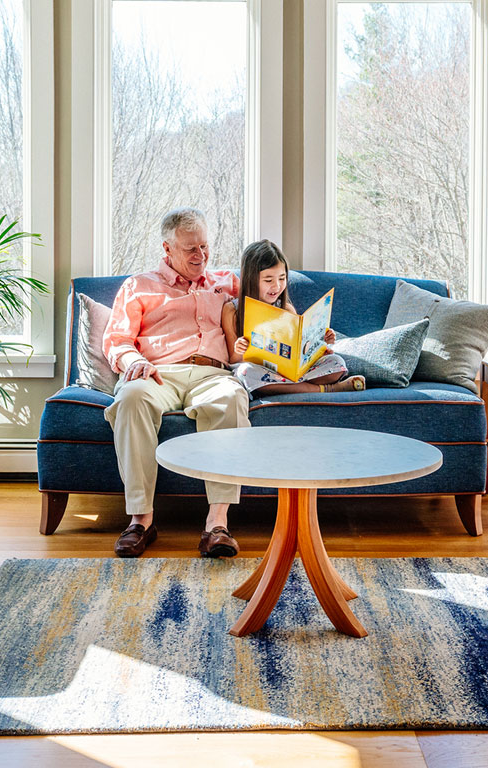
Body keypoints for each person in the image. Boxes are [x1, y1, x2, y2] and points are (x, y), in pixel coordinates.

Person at [102, 208, 249, 559]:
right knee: (130, 400)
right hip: (157, 373)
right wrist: (133, 361)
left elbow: (275, 292)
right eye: (190, 249)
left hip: (213, 373)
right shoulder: (139, 286)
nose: (201, 256)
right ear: (167, 249)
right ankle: (141, 521)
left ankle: (217, 524)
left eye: (205, 246)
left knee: (230, 399)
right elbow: (116, 339)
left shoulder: (226, 283)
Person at [223, 239, 365, 396]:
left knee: (337, 363)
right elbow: (234, 360)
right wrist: (240, 348)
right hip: (257, 370)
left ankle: (285, 387)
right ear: (251, 278)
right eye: (268, 280)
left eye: (282, 278)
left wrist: (320, 345)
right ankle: (327, 389)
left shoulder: (286, 309)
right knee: (245, 372)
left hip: (286, 373)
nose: (277, 286)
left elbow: (299, 349)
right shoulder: (232, 310)